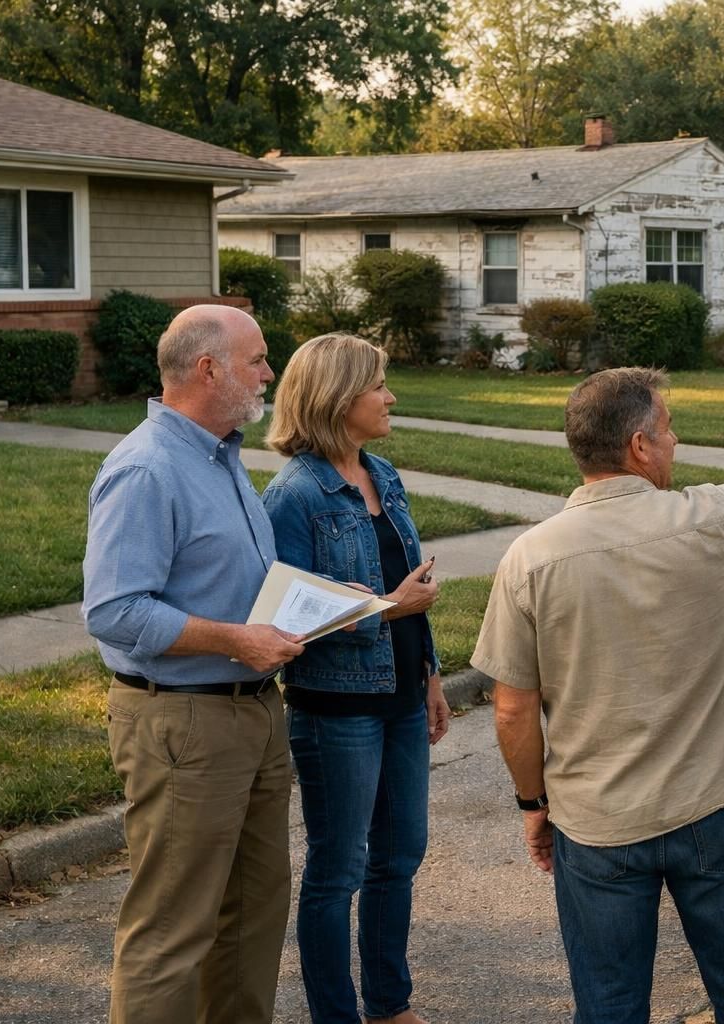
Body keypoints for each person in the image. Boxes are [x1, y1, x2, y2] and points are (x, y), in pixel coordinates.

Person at [474, 366, 724, 1023]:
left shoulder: (530, 558)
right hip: (712, 808)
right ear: (639, 446)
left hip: (595, 823)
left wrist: (533, 803)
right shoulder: (710, 522)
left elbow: (513, 708)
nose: (675, 439)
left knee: (609, 1007)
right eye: (666, 429)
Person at [83, 304, 304, 1024]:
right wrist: (235, 641)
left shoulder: (220, 455)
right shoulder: (147, 469)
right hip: (183, 723)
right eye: (259, 359)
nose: (270, 372)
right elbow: (115, 611)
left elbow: (223, 578)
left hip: (252, 714)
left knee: (251, 917)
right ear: (208, 369)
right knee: (172, 931)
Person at [261, 332, 451, 1024]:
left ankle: (389, 1007)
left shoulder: (384, 473)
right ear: (340, 398)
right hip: (336, 705)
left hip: (401, 694)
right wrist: (388, 609)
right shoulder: (295, 496)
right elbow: (285, 616)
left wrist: (430, 672)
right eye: (379, 386)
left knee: (400, 855)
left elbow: (412, 581)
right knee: (338, 869)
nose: (390, 397)